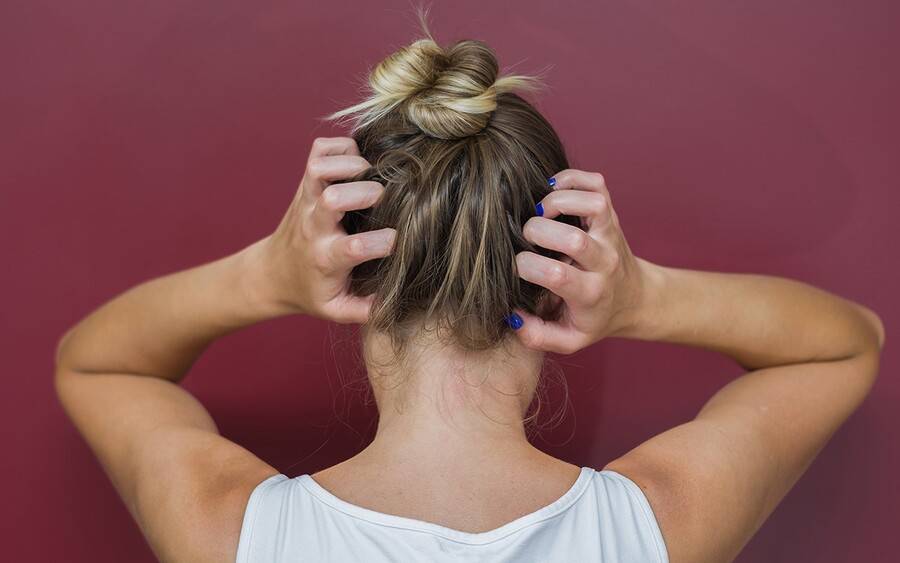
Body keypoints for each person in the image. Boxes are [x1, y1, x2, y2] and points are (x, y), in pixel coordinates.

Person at [54, 20, 884, 563]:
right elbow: (848, 342)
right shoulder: (652, 526)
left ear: (357, 276)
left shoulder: (235, 532)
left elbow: (95, 365)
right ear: (554, 291)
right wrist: (643, 296)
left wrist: (264, 277)